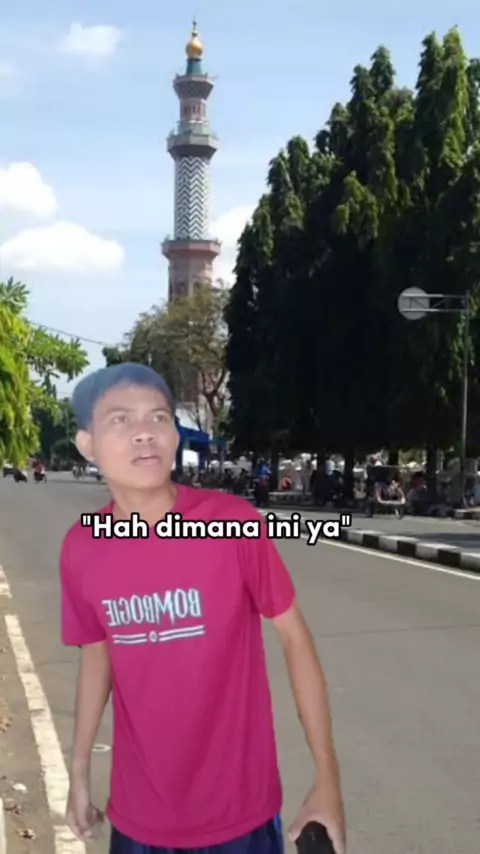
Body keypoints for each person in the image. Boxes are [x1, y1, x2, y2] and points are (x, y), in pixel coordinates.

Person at [60, 363, 346, 854]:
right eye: (120, 420)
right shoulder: (82, 547)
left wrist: (328, 780)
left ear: (175, 436)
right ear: (87, 444)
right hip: (138, 822)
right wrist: (79, 771)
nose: (144, 433)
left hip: (241, 820)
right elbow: (97, 653)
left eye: (158, 418)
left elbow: (295, 637)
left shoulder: (233, 524)